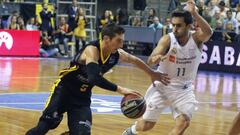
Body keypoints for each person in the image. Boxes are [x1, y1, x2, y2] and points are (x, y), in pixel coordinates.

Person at [25, 23, 169, 135]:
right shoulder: (91, 50)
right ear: (106, 39)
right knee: (41, 129)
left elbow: (134, 60)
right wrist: (120, 89)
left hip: (82, 99)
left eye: (122, 41)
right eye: (118, 41)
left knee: (83, 132)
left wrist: (152, 73)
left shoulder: (116, 54)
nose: (121, 45)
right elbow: (94, 78)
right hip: (63, 92)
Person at [122, 0, 212, 135]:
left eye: (179, 26)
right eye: (173, 25)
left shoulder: (197, 38)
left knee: (184, 123)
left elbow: (209, 32)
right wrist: (155, 58)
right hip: (162, 86)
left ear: (189, 26)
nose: (175, 29)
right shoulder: (167, 39)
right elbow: (151, 61)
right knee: (147, 125)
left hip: (184, 89)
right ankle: (131, 131)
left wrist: (195, 13)